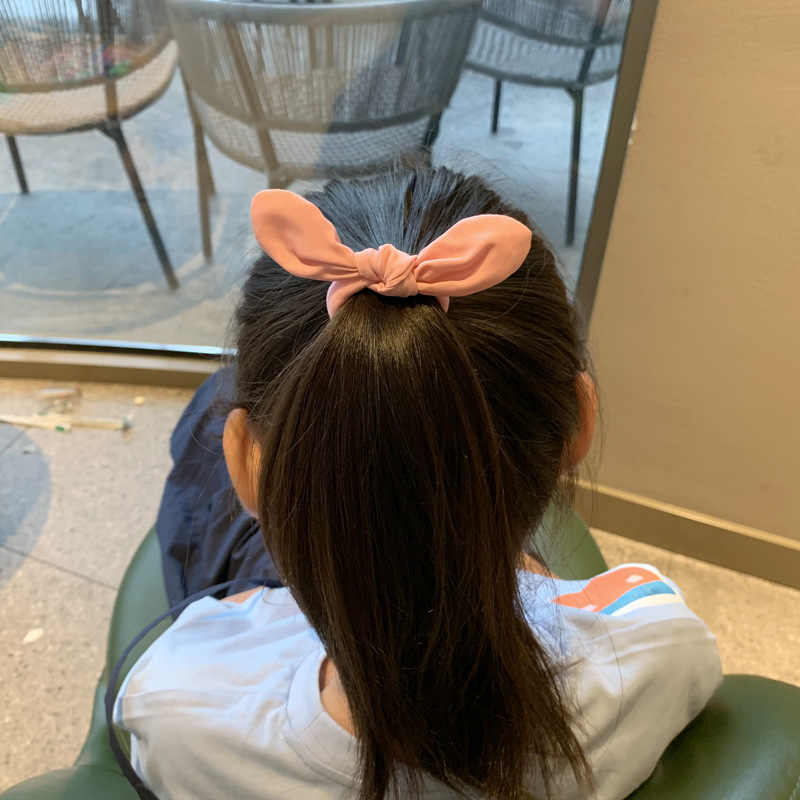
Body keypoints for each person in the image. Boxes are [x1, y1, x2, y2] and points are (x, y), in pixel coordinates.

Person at [113, 166, 721, 800]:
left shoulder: (173, 709)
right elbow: (628, 612)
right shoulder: (662, 654)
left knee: (210, 405)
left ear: (246, 465)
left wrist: (255, 606)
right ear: (580, 424)